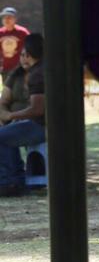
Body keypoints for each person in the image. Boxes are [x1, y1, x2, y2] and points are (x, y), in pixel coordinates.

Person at [0, 34, 43, 197]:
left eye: (26, 54)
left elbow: (37, 109)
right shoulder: (18, 74)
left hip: (41, 124)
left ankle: (10, 182)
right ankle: (16, 179)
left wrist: (11, 116)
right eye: (21, 55)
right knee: (6, 133)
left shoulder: (38, 73)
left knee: (2, 136)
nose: (23, 58)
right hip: (28, 121)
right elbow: (3, 100)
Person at [0, 8, 30, 80]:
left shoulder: (23, 32)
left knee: (19, 86)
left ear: (15, 19)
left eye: (9, 17)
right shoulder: (0, 32)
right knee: (7, 87)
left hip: (20, 68)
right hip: (5, 68)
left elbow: (30, 47)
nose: (6, 20)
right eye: (4, 18)